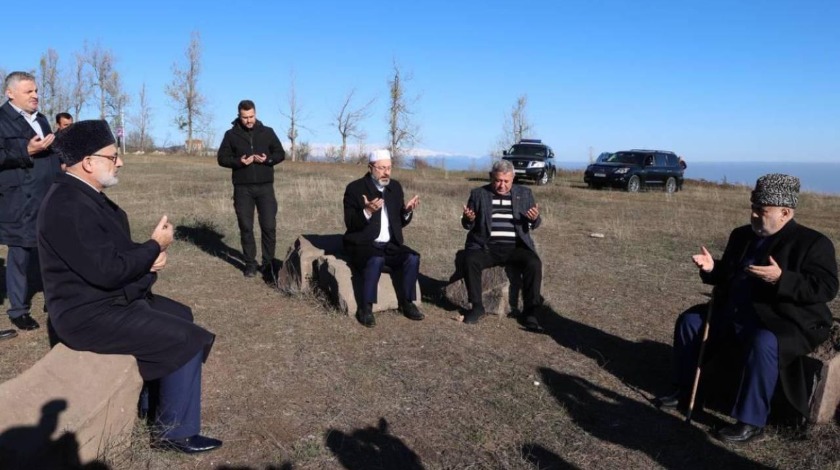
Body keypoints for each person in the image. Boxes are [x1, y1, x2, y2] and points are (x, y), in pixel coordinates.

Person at [40, 120, 222, 454]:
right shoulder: (67, 205)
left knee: (181, 314)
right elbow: (107, 271)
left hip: (106, 300)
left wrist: (147, 257)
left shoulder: (85, 196)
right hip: (88, 314)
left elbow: (109, 255)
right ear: (88, 162)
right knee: (186, 338)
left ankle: (149, 403)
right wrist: (153, 247)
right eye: (113, 156)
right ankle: (175, 432)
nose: (120, 162)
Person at [657, 174, 838, 444]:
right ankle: (685, 388)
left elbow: (826, 287)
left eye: (761, 210)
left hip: (785, 319)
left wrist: (781, 279)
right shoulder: (741, 236)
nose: (754, 215)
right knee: (690, 321)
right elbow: (729, 274)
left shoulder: (812, 243)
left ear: (785, 212)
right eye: (753, 208)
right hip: (736, 310)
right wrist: (712, 268)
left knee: (763, 341)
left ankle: (752, 421)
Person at [0, 71, 62, 332]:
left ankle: (55, 300)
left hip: (48, 195)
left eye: (36, 90)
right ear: (10, 93)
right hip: (18, 199)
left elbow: (49, 153)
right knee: (21, 255)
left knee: (52, 249)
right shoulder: (2, 120)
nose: (36, 95)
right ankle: (18, 310)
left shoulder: (42, 119)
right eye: (29, 91)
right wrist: (25, 151)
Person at [343, 149, 424, 327]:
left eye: (389, 167)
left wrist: (407, 212)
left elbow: (398, 224)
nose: (386, 172)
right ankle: (365, 308)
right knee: (375, 260)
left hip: (389, 244)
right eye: (381, 168)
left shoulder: (395, 187)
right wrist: (367, 211)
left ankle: (407, 303)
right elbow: (350, 223)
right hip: (363, 244)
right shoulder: (355, 189)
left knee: (412, 257)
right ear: (370, 167)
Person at [460, 160, 544, 331]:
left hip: (515, 247)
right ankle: (477, 307)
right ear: (491, 177)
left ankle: (530, 312)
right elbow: (467, 224)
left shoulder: (525, 193)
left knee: (534, 263)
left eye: (506, 181)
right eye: (498, 180)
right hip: (486, 247)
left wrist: (534, 219)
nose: (502, 185)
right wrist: (469, 219)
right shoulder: (478, 194)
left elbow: (534, 224)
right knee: (470, 260)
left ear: (513, 178)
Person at [217, 100, 285, 278]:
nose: (249, 120)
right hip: (242, 189)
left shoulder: (267, 132)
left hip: (265, 188)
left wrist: (267, 159)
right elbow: (222, 158)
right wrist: (239, 161)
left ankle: (268, 264)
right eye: (245, 117)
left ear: (256, 114)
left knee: (269, 226)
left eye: (251, 116)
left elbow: (280, 153)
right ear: (239, 116)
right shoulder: (231, 135)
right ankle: (250, 264)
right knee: (246, 226)